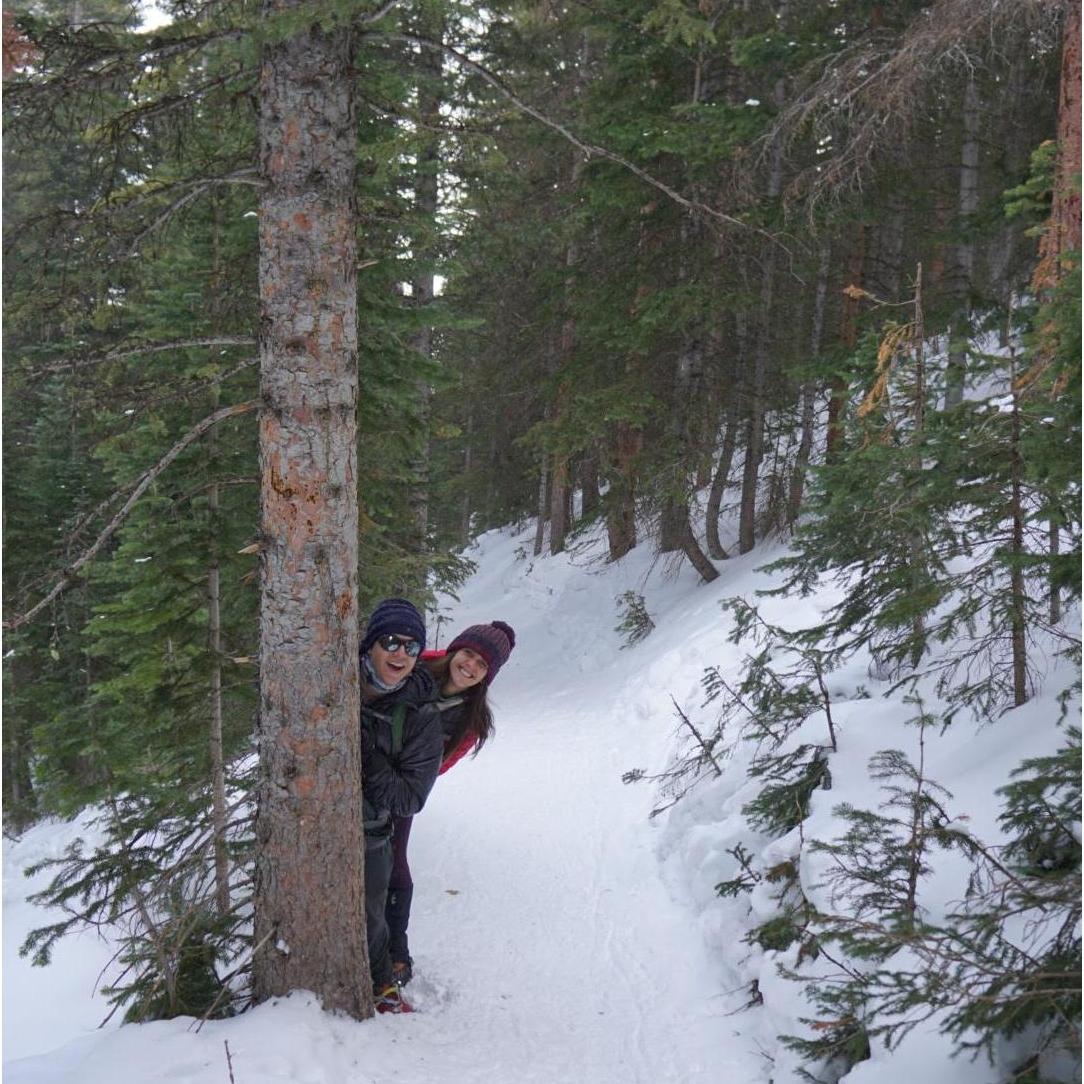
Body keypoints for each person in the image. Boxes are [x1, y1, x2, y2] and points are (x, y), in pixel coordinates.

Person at [385, 620, 516, 987]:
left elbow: (440, 765)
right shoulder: (415, 666)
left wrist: (402, 780)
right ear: (456, 650)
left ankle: (396, 950)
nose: (470, 666)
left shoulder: (471, 719)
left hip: (404, 788)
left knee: (393, 862)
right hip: (363, 767)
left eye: (482, 665)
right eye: (469, 654)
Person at [359, 598, 442, 1014]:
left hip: (372, 829)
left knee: (371, 909)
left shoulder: (421, 715)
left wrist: (362, 753)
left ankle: (381, 986)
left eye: (412, 647)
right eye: (391, 641)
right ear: (371, 642)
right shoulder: (328, 676)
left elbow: (411, 797)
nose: (400, 654)